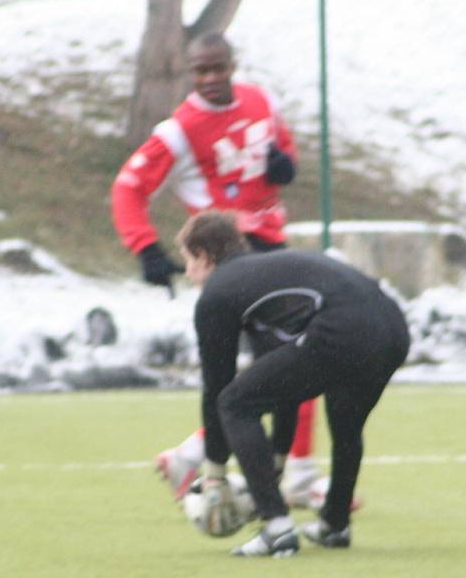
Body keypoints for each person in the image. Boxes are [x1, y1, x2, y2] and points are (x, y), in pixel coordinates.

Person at [110, 32, 321, 505]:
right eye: (199, 71)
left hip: (272, 251)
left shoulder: (259, 99)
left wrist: (283, 164)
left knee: (290, 362)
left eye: (217, 68)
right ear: (190, 72)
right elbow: (127, 188)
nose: (209, 79)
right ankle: (294, 476)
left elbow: (282, 145)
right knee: (297, 359)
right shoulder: (179, 129)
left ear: (232, 64)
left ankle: (204, 456)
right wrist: (146, 248)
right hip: (232, 264)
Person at [177, 211, 410, 557]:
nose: (187, 272)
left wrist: (214, 472)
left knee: (234, 403)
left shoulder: (217, 293)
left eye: (187, 260)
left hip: (345, 327)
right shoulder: (264, 276)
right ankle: (334, 523)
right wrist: (277, 459)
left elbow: (218, 388)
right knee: (345, 422)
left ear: (204, 256)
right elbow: (285, 384)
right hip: (392, 327)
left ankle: (277, 528)